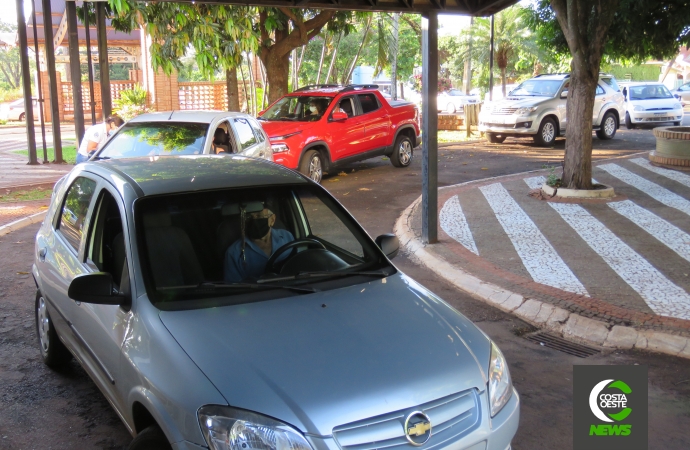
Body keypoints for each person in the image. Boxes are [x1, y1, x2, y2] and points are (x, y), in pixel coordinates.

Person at [224, 207, 294, 283]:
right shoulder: (234, 253)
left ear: (272, 220)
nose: (254, 221)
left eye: (259, 216)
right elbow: (234, 288)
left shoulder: (287, 236)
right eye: (249, 217)